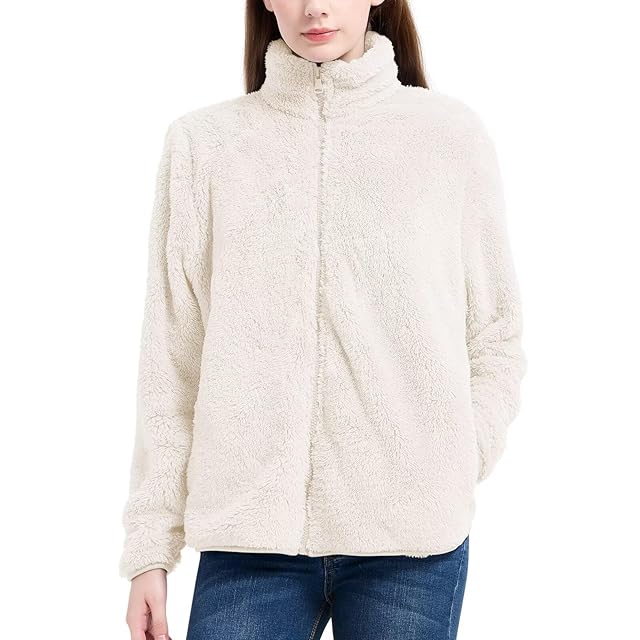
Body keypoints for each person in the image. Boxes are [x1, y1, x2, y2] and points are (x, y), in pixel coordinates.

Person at [120, 1, 527, 638]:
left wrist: (453, 457)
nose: (314, 8)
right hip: (247, 537)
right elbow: (173, 356)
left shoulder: (449, 138)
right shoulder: (205, 146)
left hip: (411, 540)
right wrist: (151, 548)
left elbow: (496, 331)